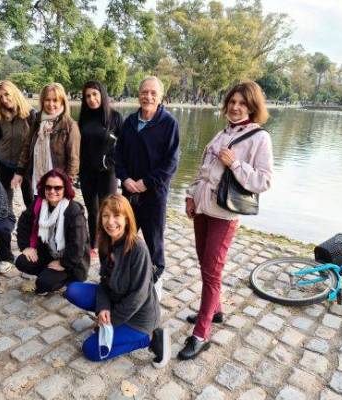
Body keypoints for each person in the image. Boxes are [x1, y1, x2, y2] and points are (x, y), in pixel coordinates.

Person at [179, 81, 273, 360]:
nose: (235, 107)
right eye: (232, 102)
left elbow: (264, 180)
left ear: (252, 107)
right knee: (203, 263)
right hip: (203, 209)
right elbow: (203, 169)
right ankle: (215, 310)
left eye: (242, 103)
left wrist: (235, 164)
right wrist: (190, 195)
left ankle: (201, 333)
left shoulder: (259, 138)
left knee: (212, 271)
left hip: (225, 213)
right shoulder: (222, 133)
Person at [65, 194, 170, 367]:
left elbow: (138, 297)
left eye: (116, 216)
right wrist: (103, 308)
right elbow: (104, 283)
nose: (110, 221)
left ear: (127, 219)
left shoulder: (138, 249)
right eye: (106, 215)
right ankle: (114, 324)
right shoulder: (106, 243)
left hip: (139, 318)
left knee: (90, 350)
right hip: (116, 299)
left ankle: (149, 339)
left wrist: (110, 322)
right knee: (73, 290)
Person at [115, 76, 180, 296]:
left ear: (160, 96)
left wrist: (145, 183)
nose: (148, 96)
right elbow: (118, 156)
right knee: (124, 236)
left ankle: (152, 283)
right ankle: (122, 275)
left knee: (154, 241)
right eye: (144, 92)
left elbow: (170, 163)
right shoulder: (129, 122)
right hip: (128, 192)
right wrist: (125, 179)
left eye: (153, 93)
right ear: (138, 94)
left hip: (154, 195)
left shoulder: (168, 123)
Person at [15, 168, 90, 295]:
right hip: (49, 253)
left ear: (65, 188)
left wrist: (63, 263)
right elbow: (23, 222)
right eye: (48, 187)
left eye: (57, 188)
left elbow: (78, 246)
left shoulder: (73, 211)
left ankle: (66, 279)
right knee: (22, 261)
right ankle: (48, 272)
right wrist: (26, 246)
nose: (52, 191)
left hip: (72, 262)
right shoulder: (40, 204)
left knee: (43, 284)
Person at [78, 81, 123, 257]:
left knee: (109, 210)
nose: (91, 99)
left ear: (102, 95)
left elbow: (123, 147)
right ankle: (94, 245)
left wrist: (109, 163)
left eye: (95, 94)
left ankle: (113, 242)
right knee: (93, 210)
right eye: (88, 96)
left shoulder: (115, 118)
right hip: (87, 172)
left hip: (107, 173)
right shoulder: (84, 118)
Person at [15, 83, 80, 195]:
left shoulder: (70, 125)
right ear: (42, 101)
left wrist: (67, 183)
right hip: (37, 179)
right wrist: (19, 172)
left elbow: (73, 159)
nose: (51, 104)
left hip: (58, 183)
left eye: (55, 100)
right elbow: (27, 148)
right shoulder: (37, 121)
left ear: (62, 102)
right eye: (47, 100)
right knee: (39, 210)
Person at [0, 80, 35, 212]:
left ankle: (33, 230)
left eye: (7, 94)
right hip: (3, 163)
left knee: (30, 201)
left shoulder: (31, 114)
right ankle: (6, 230)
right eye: (0, 97)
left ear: (15, 93)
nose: (4, 99)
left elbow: (34, 143)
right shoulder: (0, 115)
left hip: (24, 166)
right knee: (5, 203)